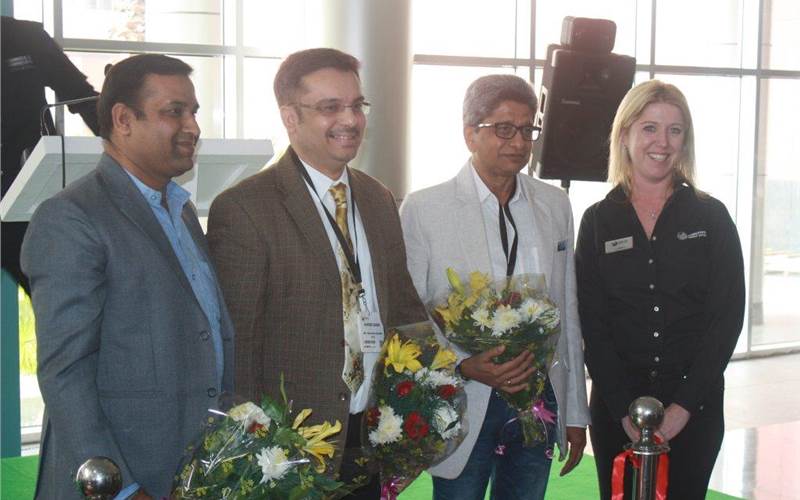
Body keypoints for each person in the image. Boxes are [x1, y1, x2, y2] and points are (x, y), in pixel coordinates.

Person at [206, 47, 427, 499]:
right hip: (291, 449)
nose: (350, 119)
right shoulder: (246, 209)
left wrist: (422, 398)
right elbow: (238, 343)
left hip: (371, 434)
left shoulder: (379, 199)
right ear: (290, 116)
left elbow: (403, 308)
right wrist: (253, 446)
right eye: (330, 107)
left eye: (356, 105)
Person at [21, 54, 234, 500]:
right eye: (174, 111)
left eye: (193, 111)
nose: (192, 126)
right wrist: (117, 485)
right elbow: (66, 371)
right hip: (125, 478)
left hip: (192, 470)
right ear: (123, 119)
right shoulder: (71, 218)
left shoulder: (180, 211)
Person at [399, 74, 590, 500]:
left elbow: (568, 311)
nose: (519, 142)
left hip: (539, 398)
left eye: (528, 129)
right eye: (504, 129)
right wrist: (464, 365)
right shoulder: (425, 208)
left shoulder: (555, 205)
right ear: (470, 134)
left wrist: (575, 412)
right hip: (463, 399)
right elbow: (410, 315)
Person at [575, 80, 745, 499]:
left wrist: (683, 407)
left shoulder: (712, 216)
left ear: (686, 141)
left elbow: (726, 318)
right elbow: (592, 325)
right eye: (650, 128)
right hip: (618, 409)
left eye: (675, 130)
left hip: (695, 406)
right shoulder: (598, 221)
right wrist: (622, 409)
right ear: (626, 135)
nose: (662, 142)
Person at [1, 15, 100, 295]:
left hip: (30, 196)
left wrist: (129, 155)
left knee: (62, 301)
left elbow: (82, 96)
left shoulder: (24, 35)